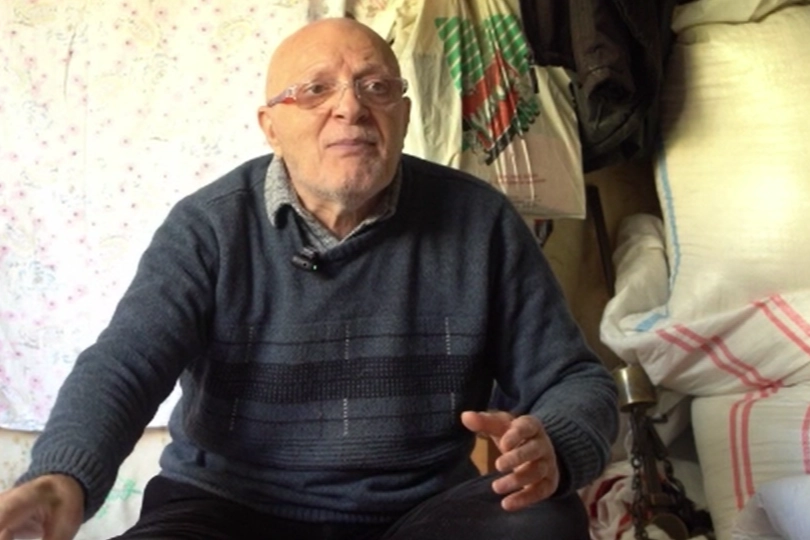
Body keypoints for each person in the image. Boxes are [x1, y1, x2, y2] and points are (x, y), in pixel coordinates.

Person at [0, 17, 618, 540]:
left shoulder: (481, 222)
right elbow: (123, 365)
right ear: (271, 126)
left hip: (416, 513)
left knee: (543, 520)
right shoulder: (208, 227)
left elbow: (571, 378)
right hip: (229, 507)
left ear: (403, 115)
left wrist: (556, 444)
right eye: (315, 90)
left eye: (375, 87)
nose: (350, 107)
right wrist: (63, 476)